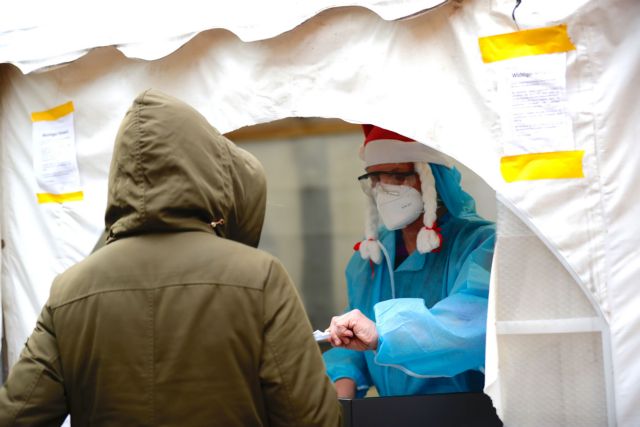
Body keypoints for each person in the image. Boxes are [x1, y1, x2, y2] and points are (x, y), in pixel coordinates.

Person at [0, 89, 342, 426]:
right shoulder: (260, 278)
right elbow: (314, 419)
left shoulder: (70, 292)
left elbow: (17, 416)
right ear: (209, 172)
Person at [323, 125, 496, 398]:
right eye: (375, 177)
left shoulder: (478, 244)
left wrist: (383, 334)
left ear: (432, 178)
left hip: (466, 413)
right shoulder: (372, 256)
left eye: (396, 175)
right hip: (392, 414)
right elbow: (354, 344)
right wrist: (342, 388)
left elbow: (469, 325)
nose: (383, 189)